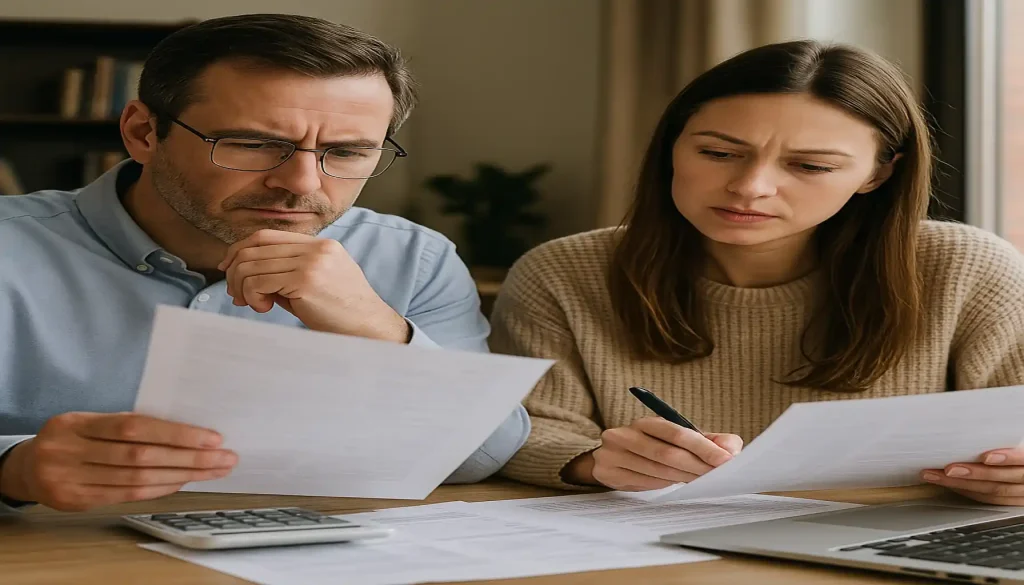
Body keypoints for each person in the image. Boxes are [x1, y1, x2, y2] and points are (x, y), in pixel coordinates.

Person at [0, 14, 529, 512]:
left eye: (346, 153)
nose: (302, 184)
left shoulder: (416, 259)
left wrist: (379, 329)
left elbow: (483, 458)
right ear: (143, 133)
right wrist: (12, 469)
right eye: (252, 143)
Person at [491, 40, 1024, 505]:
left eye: (810, 166)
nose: (751, 187)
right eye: (719, 152)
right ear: (671, 147)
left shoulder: (967, 269)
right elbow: (521, 429)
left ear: (878, 174)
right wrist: (594, 461)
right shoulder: (562, 272)